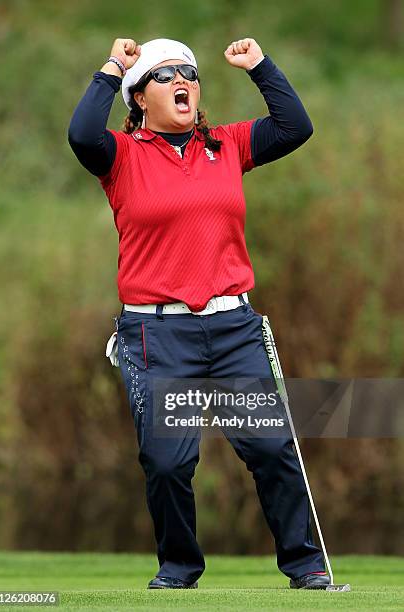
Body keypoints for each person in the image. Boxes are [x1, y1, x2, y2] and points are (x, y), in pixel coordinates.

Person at [68, 36, 330, 590]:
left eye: (189, 71)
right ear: (138, 97)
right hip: (156, 333)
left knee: (272, 449)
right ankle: (179, 569)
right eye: (164, 76)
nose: (182, 80)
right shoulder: (120, 156)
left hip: (233, 326)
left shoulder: (226, 145)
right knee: (168, 463)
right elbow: (81, 134)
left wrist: (259, 66)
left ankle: (306, 568)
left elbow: (295, 127)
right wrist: (115, 66)